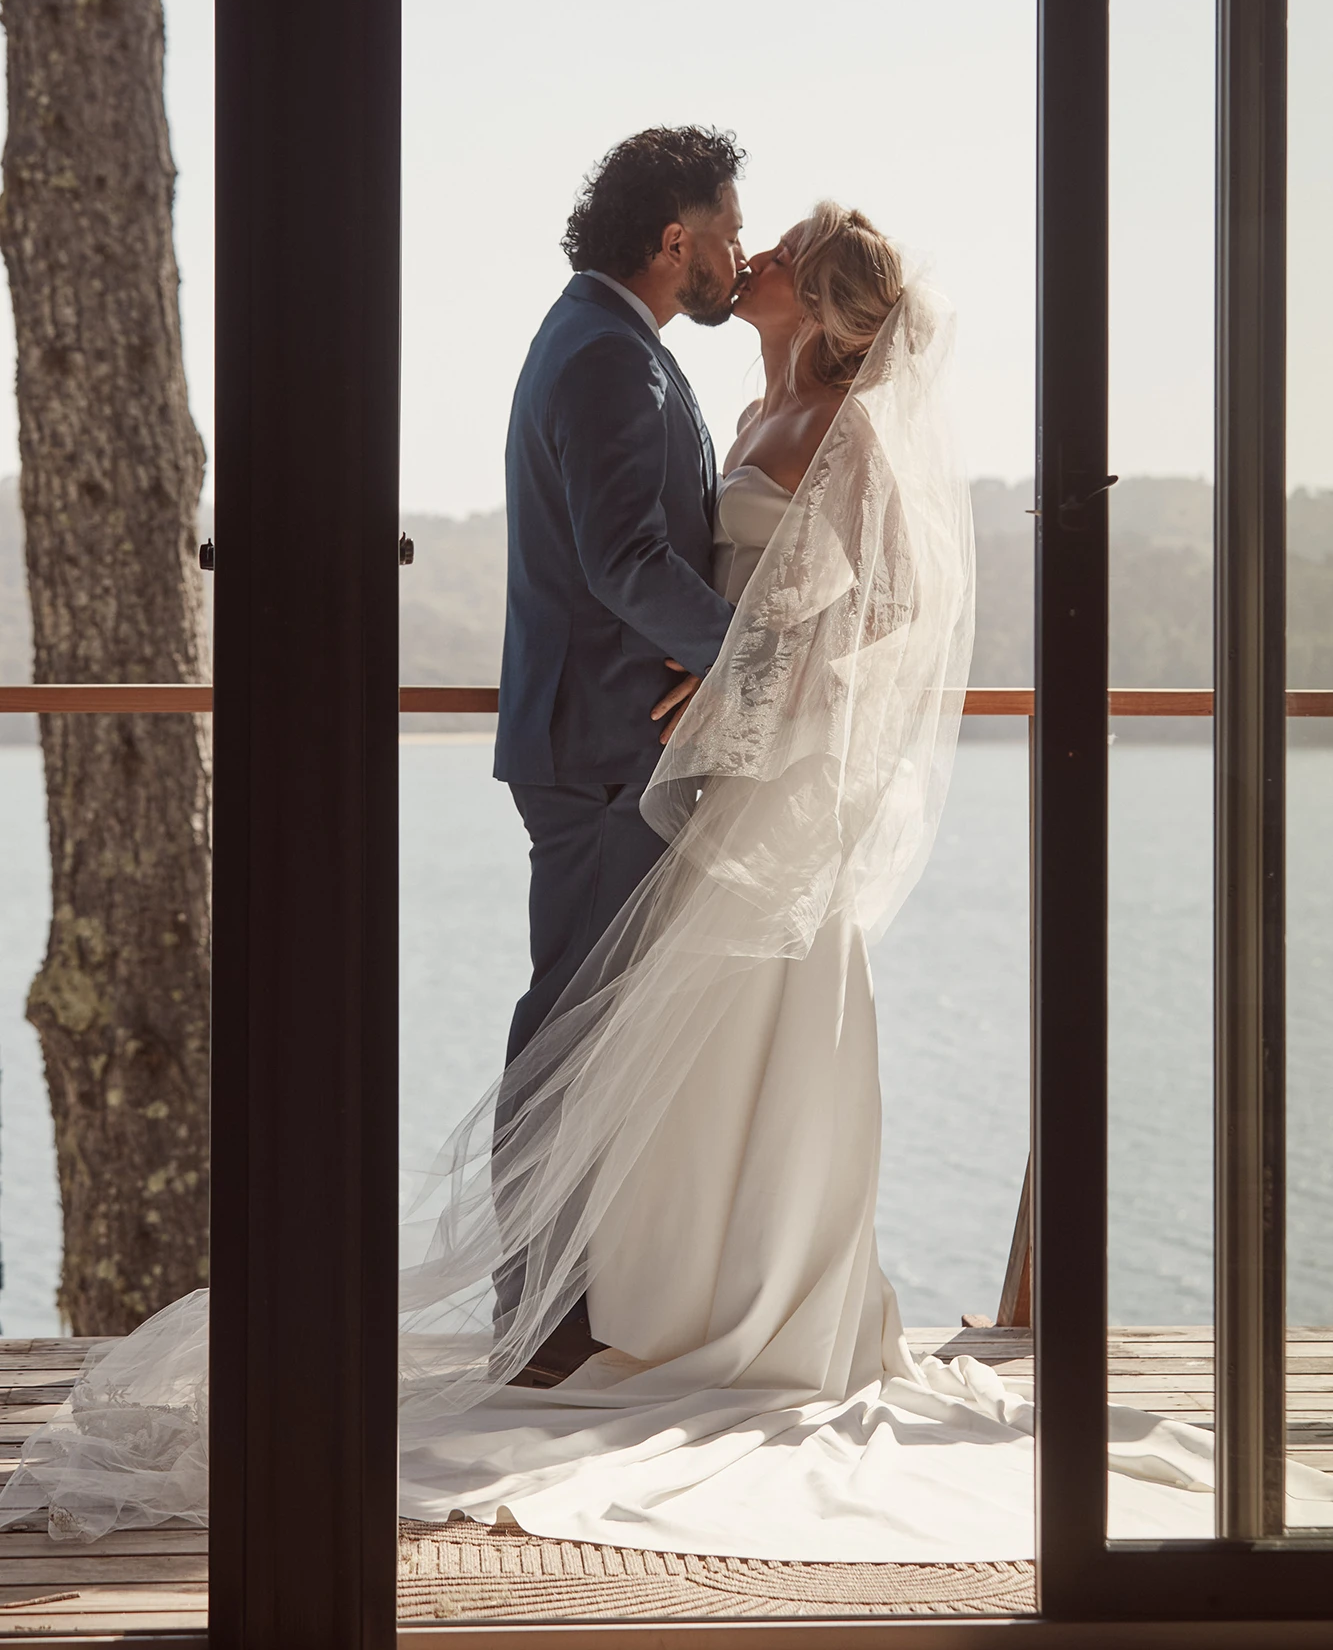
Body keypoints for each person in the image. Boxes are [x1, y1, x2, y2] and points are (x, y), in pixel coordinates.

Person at [6, 207, 1332, 1558]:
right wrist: (729, 664)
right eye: (745, 242)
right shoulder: (738, 405)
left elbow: (880, 618)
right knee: (663, 1044)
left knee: (740, 1036)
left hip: (771, 791)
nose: (748, 261)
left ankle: (745, 1313)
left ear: (811, 301)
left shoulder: (851, 434)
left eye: (775, 252)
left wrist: (742, 679)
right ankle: (656, 1310)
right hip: (700, 789)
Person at [492, 124, 747, 1383]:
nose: (737, 257)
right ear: (673, 240)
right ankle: (541, 1325)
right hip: (597, 749)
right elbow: (623, 561)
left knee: (581, 1026)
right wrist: (754, 648)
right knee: (566, 1035)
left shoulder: (599, 337)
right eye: (728, 233)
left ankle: (561, 1306)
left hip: (594, 737)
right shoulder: (605, 353)